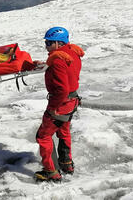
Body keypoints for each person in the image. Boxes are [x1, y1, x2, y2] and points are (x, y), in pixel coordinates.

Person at [34, 26, 84, 182]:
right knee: (63, 131)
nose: (46, 46)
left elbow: (61, 89)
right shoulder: (72, 52)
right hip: (72, 101)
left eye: (49, 43)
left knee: (43, 136)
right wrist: (48, 62)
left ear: (58, 43)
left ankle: (51, 171)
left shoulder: (58, 60)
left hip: (61, 104)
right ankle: (66, 163)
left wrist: (53, 108)